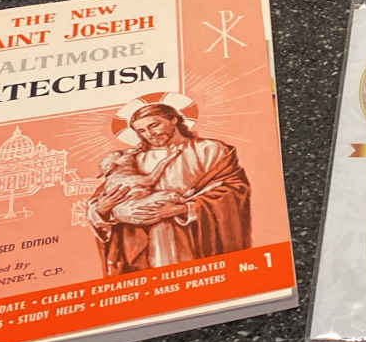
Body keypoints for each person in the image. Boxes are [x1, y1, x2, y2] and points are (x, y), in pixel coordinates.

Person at [86, 103, 251, 275]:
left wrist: (181, 209)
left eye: (154, 125)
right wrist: (105, 210)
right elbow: (101, 201)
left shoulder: (210, 150)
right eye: (141, 131)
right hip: (140, 247)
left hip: (192, 240)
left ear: (173, 119)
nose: (149, 134)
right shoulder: (132, 159)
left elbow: (233, 190)